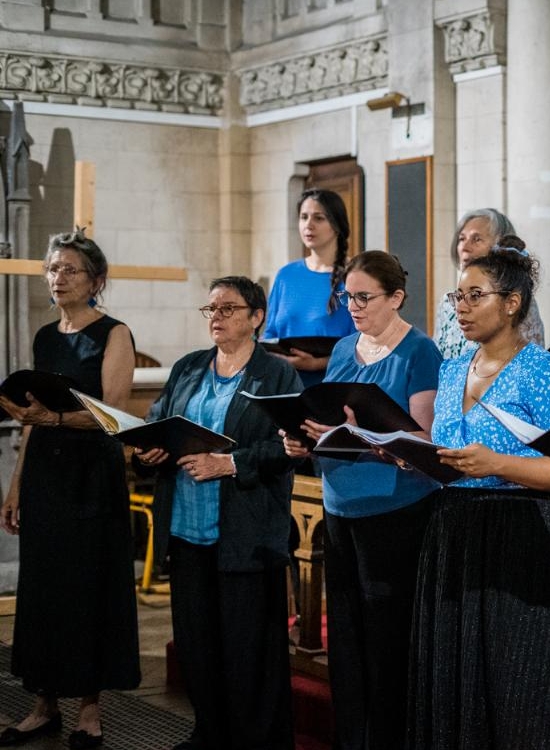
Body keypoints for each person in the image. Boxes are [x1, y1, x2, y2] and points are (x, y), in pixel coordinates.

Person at [407, 248, 550, 750]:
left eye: (474, 296)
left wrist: (498, 464)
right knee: (455, 680)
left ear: (512, 303)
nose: (460, 307)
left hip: (523, 533)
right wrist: (415, 458)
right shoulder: (450, 370)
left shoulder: (547, 370)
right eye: (457, 296)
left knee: (518, 687)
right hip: (453, 533)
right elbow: (449, 450)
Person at [281, 251, 442, 750]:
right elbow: (327, 416)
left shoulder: (420, 351)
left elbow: (424, 436)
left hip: (396, 508)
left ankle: (388, 739)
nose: (352, 305)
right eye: (347, 295)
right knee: (346, 639)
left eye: (363, 296)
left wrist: (357, 434)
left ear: (395, 298)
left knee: (386, 637)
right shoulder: (346, 347)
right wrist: (304, 438)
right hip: (339, 505)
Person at [136, 277, 302, 750]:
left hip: (245, 531)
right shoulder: (190, 367)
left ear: (256, 317)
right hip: (187, 531)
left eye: (229, 308)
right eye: (210, 308)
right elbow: (159, 417)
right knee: (198, 647)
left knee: (248, 651)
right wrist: (150, 447)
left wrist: (228, 464)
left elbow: (286, 449)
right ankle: (209, 732)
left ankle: (253, 741)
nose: (217, 316)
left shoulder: (276, 375)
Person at [0, 230, 140, 749]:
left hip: (90, 478)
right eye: (53, 269)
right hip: (45, 475)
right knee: (43, 591)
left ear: (96, 280)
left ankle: (89, 710)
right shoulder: (44, 336)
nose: (58, 278)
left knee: (86, 589)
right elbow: (30, 421)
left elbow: (116, 415)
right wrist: (15, 486)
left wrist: (53, 416)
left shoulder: (114, 333)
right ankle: (43, 704)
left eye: (70, 270)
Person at [262, 187, 356, 387]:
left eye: (319, 218)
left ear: (337, 225)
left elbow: (366, 345)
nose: (308, 225)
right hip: (283, 386)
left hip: (332, 387)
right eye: (304, 217)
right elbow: (270, 334)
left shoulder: (355, 276)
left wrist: (317, 364)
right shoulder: (286, 275)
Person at [432, 209, 544, 358]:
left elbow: (530, 361)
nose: (465, 247)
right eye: (461, 239)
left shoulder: (515, 300)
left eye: (477, 239)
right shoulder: (447, 302)